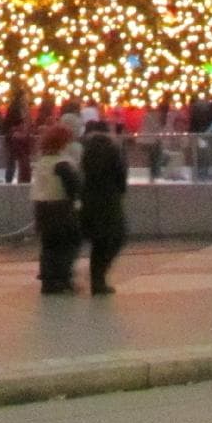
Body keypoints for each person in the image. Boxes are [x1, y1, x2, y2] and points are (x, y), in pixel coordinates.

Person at [31, 123, 83, 295]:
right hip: (61, 209)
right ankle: (62, 279)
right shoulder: (62, 163)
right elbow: (74, 187)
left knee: (48, 246)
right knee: (67, 245)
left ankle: (48, 281)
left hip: (41, 208)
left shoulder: (42, 162)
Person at [79, 122, 129, 296]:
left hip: (90, 200)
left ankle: (96, 280)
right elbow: (121, 175)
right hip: (110, 199)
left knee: (98, 243)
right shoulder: (113, 149)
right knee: (116, 238)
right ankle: (99, 278)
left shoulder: (85, 150)